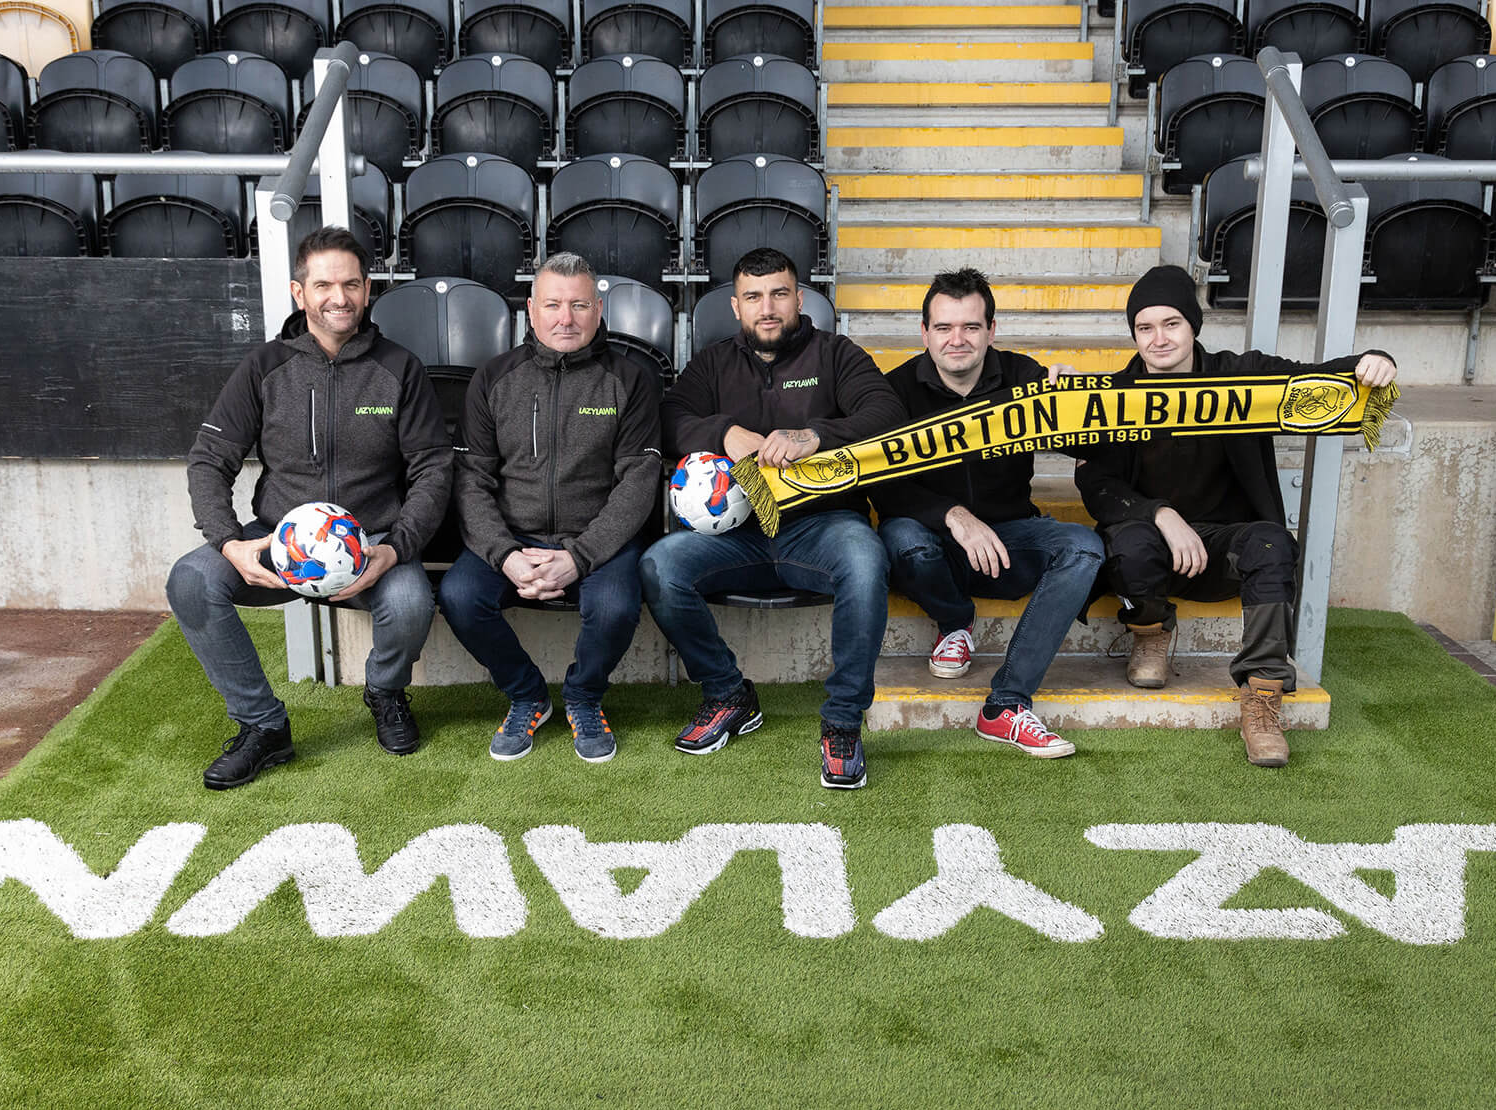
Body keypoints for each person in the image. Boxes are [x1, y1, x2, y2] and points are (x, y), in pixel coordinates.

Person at [1077, 264, 1397, 767]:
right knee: (1128, 544)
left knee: (1272, 543)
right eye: (1144, 327)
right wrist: (1161, 514)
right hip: (1155, 545)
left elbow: (1315, 379)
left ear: (1193, 326)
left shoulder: (1240, 373)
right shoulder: (1115, 395)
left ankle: (1262, 695)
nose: (1158, 339)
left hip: (1229, 545)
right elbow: (1096, 485)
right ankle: (1150, 633)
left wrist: (1371, 361)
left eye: (1171, 324)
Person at [167, 226, 452, 789]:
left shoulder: (399, 368)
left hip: (368, 545)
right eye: (323, 284)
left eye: (350, 284)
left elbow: (433, 470)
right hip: (281, 540)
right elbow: (209, 459)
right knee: (192, 580)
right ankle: (263, 727)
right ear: (300, 292)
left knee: (412, 602)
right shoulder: (265, 366)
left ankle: (386, 693)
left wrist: (394, 551)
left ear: (368, 289)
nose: (338, 297)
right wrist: (231, 542)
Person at [640, 247, 906, 789]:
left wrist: (814, 435)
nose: (768, 308)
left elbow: (887, 413)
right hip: (736, 534)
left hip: (821, 527)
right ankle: (727, 693)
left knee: (864, 558)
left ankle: (843, 723)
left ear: (799, 299)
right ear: (736, 307)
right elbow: (667, 418)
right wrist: (722, 433)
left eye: (779, 294)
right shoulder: (713, 363)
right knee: (659, 566)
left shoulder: (836, 354)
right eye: (754, 297)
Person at [872, 267, 1106, 759]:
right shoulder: (894, 390)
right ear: (924, 333)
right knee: (900, 538)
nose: (957, 340)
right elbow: (882, 485)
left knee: (1084, 547)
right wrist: (953, 514)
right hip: (931, 551)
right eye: (944, 328)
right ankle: (955, 622)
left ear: (991, 331)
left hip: (1009, 546)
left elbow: (1096, 449)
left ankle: (1005, 704)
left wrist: (1074, 407)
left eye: (971, 327)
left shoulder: (1023, 376)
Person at [438, 253, 662, 763]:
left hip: (597, 541)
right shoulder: (494, 378)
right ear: (531, 310)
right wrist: (503, 554)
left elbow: (638, 481)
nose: (567, 318)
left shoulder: (631, 379)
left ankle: (583, 696)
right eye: (554, 305)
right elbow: (470, 479)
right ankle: (527, 695)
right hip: (512, 537)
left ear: (598, 309)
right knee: (459, 595)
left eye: (580, 305)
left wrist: (580, 557)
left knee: (615, 606)